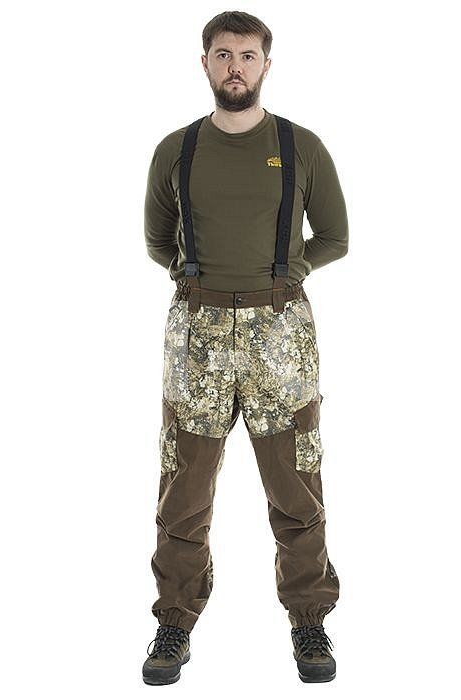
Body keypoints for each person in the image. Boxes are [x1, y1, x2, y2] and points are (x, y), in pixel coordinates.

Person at [142, 11, 349, 685]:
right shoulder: (176, 150)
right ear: (204, 62)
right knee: (184, 491)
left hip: (280, 337)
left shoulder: (301, 147)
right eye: (224, 54)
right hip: (196, 338)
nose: (236, 66)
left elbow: (335, 236)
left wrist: (285, 274)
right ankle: (174, 621)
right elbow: (158, 241)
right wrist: (201, 282)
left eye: (248, 55)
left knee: (297, 488)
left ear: (266, 65)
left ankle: (309, 619)